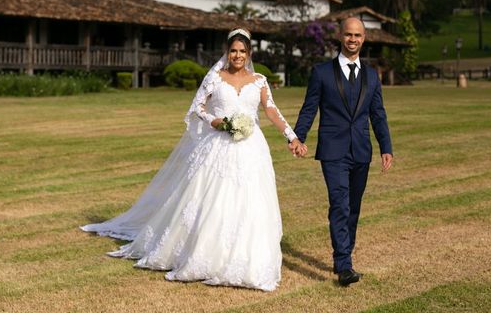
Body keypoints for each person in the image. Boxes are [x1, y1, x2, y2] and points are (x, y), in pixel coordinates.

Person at [81, 27, 303, 291]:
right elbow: (197, 108)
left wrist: (292, 137)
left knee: (251, 201)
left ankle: (249, 260)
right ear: (226, 52)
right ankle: (201, 253)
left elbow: (271, 110)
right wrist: (216, 120)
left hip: (251, 149)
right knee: (209, 199)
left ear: (250, 53)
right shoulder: (215, 77)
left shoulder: (260, 81)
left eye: (242, 51)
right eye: (233, 50)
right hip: (218, 145)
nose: (237, 55)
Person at [290, 17, 393, 286]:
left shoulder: (371, 75)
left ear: (364, 38)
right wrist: (298, 136)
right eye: (348, 35)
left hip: (361, 150)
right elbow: (309, 108)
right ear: (340, 36)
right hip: (332, 150)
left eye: (357, 35)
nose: (352, 39)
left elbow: (378, 114)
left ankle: (344, 256)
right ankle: (344, 263)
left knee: (354, 208)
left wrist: (386, 147)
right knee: (340, 203)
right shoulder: (321, 72)